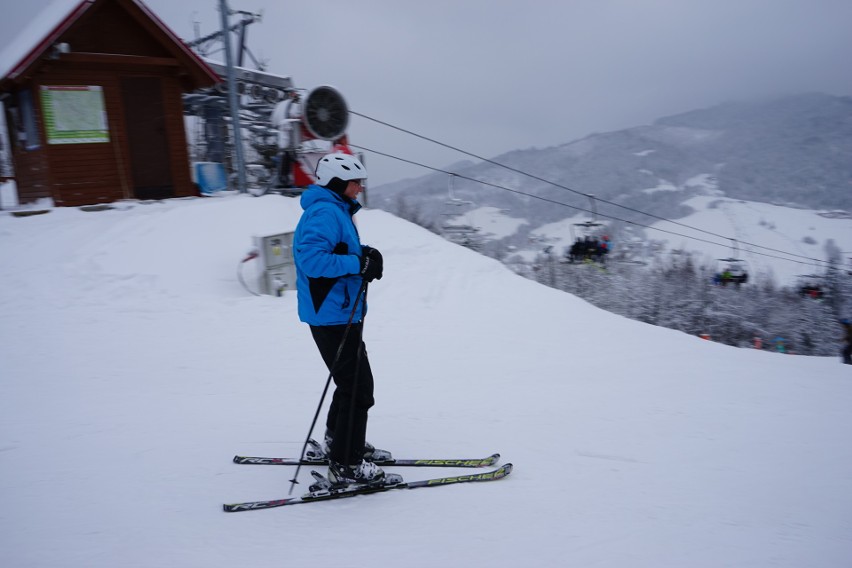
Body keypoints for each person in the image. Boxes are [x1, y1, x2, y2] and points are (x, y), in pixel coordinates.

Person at [293, 152, 390, 485]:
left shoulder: (335, 210)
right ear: (337, 182)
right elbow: (312, 261)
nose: (360, 188)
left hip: (338, 311)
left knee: (349, 381)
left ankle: (339, 441)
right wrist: (357, 264)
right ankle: (347, 463)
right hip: (331, 315)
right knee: (359, 387)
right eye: (355, 182)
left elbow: (337, 253)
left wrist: (362, 255)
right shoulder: (325, 212)